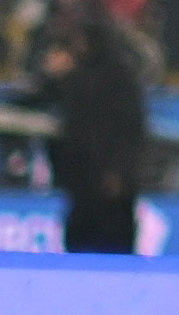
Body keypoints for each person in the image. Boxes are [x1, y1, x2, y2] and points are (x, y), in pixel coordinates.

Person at [49, 18, 153, 254]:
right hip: (81, 174)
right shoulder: (75, 78)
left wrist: (119, 171)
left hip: (109, 177)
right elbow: (44, 97)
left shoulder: (119, 79)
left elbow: (130, 130)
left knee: (114, 238)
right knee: (79, 239)